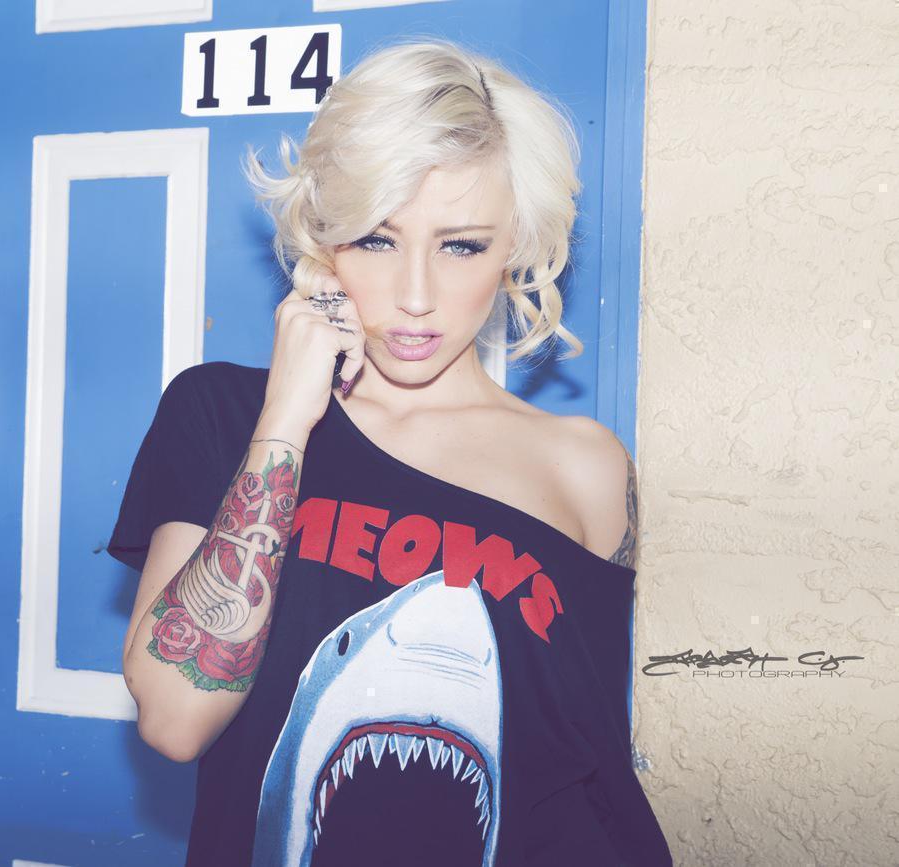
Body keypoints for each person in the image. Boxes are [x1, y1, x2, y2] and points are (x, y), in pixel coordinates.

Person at [108, 36, 672, 867]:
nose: (415, 295)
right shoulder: (222, 413)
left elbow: (584, 770)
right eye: (377, 239)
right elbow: (173, 718)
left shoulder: (584, 466)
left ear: (515, 245)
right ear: (325, 238)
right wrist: (286, 422)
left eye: (462, 244)